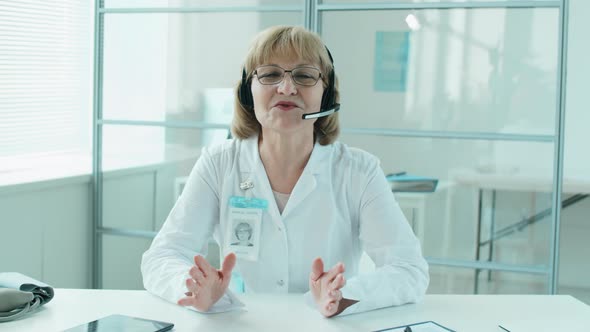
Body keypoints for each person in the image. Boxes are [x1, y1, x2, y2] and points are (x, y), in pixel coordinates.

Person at [141, 25, 429, 317]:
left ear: (326, 95)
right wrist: (191, 288)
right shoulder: (218, 164)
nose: (287, 88)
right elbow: (162, 256)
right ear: (247, 91)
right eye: (270, 75)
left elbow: (408, 270)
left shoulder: (359, 171)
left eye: (304, 75)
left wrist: (346, 296)